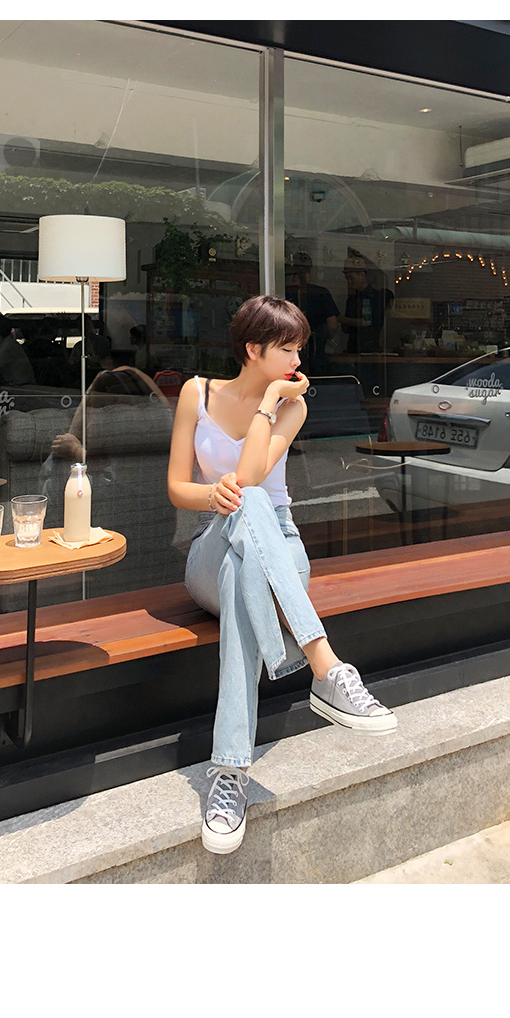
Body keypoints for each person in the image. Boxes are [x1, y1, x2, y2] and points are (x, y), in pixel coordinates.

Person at [167, 293, 397, 858]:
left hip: (279, 546)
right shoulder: (196, 393)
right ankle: (325, 666)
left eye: (299, 349)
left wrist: (272, 400)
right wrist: (212, 495)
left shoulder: (293, 408)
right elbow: (179, 487)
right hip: (210, 541)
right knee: (243, 511)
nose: (298, 360)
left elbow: (251, 475)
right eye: (287, 349)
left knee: (244, 575)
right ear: (253, 349)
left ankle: (229, 775)